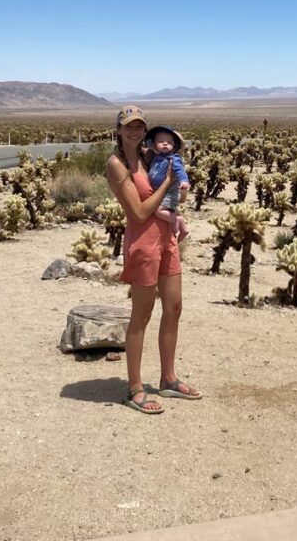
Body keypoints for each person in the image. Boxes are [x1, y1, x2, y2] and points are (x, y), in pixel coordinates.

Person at [105, 105, 202, 414]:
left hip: (166, 241)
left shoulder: (151, 156)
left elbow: (179, 194)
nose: (134, 131)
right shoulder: (117, 165)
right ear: (118, 129)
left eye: (139, 126)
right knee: (142, 315)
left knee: (174, 306)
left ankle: (168, 378)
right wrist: (167, 183)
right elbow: (139, 212)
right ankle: (134, 388)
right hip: (144, 244)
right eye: (129, 126)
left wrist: (179, 184)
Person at [145, 125, 190, 242]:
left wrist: (183, 181)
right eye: (160, 141)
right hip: (159, 191)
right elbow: (148, 143)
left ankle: (177, 220)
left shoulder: (173, 158)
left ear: (174, 145)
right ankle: (182, 228)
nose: (165, 144)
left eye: (169, 142)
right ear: (154, 145)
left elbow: (180, 170)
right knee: (168, 209)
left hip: (169, 192)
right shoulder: (157, 156)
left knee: (158, 211)